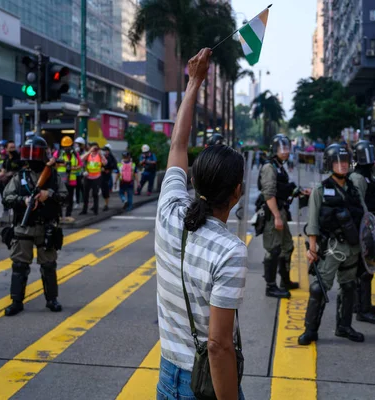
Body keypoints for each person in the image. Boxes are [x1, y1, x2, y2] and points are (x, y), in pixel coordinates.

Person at [155, 47, 247, 400]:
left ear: (193, 179)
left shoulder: (169, 211)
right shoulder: (230, 251)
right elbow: (218, 346)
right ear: (237, 192)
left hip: (168, 375)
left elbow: (178, 143)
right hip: (208, 385)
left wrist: (194, 81)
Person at [298, 143, 365, 346]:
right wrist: (312, 248)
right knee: (318, 289)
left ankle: (344, 326)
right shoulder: (320, 190)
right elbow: (313, 222)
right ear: (329, 164)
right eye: (337, 161)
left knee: (349, 286)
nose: (342, 165)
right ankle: (310, 330)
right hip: (331, 248)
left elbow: (365, 218)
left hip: (353, 248)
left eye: (344, 161)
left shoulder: (354, 189)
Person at [2, 135, 67, 316]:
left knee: (48, 266)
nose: (32, 156)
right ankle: (16, 301)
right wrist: (23, 200)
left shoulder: (53, 176)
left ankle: (51, 299)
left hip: (47, 226)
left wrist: (49, 194)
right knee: (19, 266)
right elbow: (6, 198)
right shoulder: (19, 176)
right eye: (29, 152)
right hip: (24, 227)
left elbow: (64, 196)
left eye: (35, 152)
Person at [258, 134, 311, 298]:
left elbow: (283, 188)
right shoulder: (269, 167)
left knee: (287, 246)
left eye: (287, 147)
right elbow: (268, 194)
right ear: (274, 150)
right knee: (274, 249)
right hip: (273, 213)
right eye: (282, 148)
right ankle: (271, 286)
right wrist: (276, 217)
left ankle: (285, 280)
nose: (285, 151)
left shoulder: (280, 166)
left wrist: (300, 191)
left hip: (280, 210)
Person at [349, 140, 375, 325]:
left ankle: (363, 304)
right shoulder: (358, 177)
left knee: (367, 269)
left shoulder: (369, 177)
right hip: (367, 228)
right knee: (364, 270)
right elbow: (360, 206)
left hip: (374, 225)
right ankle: (362, 309)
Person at [53, 136, 82, 219]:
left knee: (69, 198)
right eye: (65, 146)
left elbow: (80, 164)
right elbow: (53, 163)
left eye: (68, 146)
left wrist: (73, 168)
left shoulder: (75, 154)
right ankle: (60, 215)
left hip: (72, 180)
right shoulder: (58, 153)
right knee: (60, 198)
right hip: (61, 181)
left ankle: (68, 215)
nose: (67, 148)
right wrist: (63, 164)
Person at [80, 142, 107, 216]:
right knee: (86, 194)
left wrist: (100, 154)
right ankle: (84, 210)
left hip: (97, 177)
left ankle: (95, 210)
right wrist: (89, 151)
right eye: (93, 148)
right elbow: (80, 159)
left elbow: (105, 163)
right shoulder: (88, 154)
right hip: (88, 177)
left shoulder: (99, 155)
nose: (94, 149)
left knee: (95, 194)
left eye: (96, 148)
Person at [101, 144, 117, 211]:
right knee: (101, 189)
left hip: (107, 175)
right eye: (104, 150)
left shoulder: (111, 157)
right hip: (100, 174)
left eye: (106, 150)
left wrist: (108, 170)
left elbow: (114, 165)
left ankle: (106, 205)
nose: (105, 151)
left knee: (106, 189)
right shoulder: (101, 156)